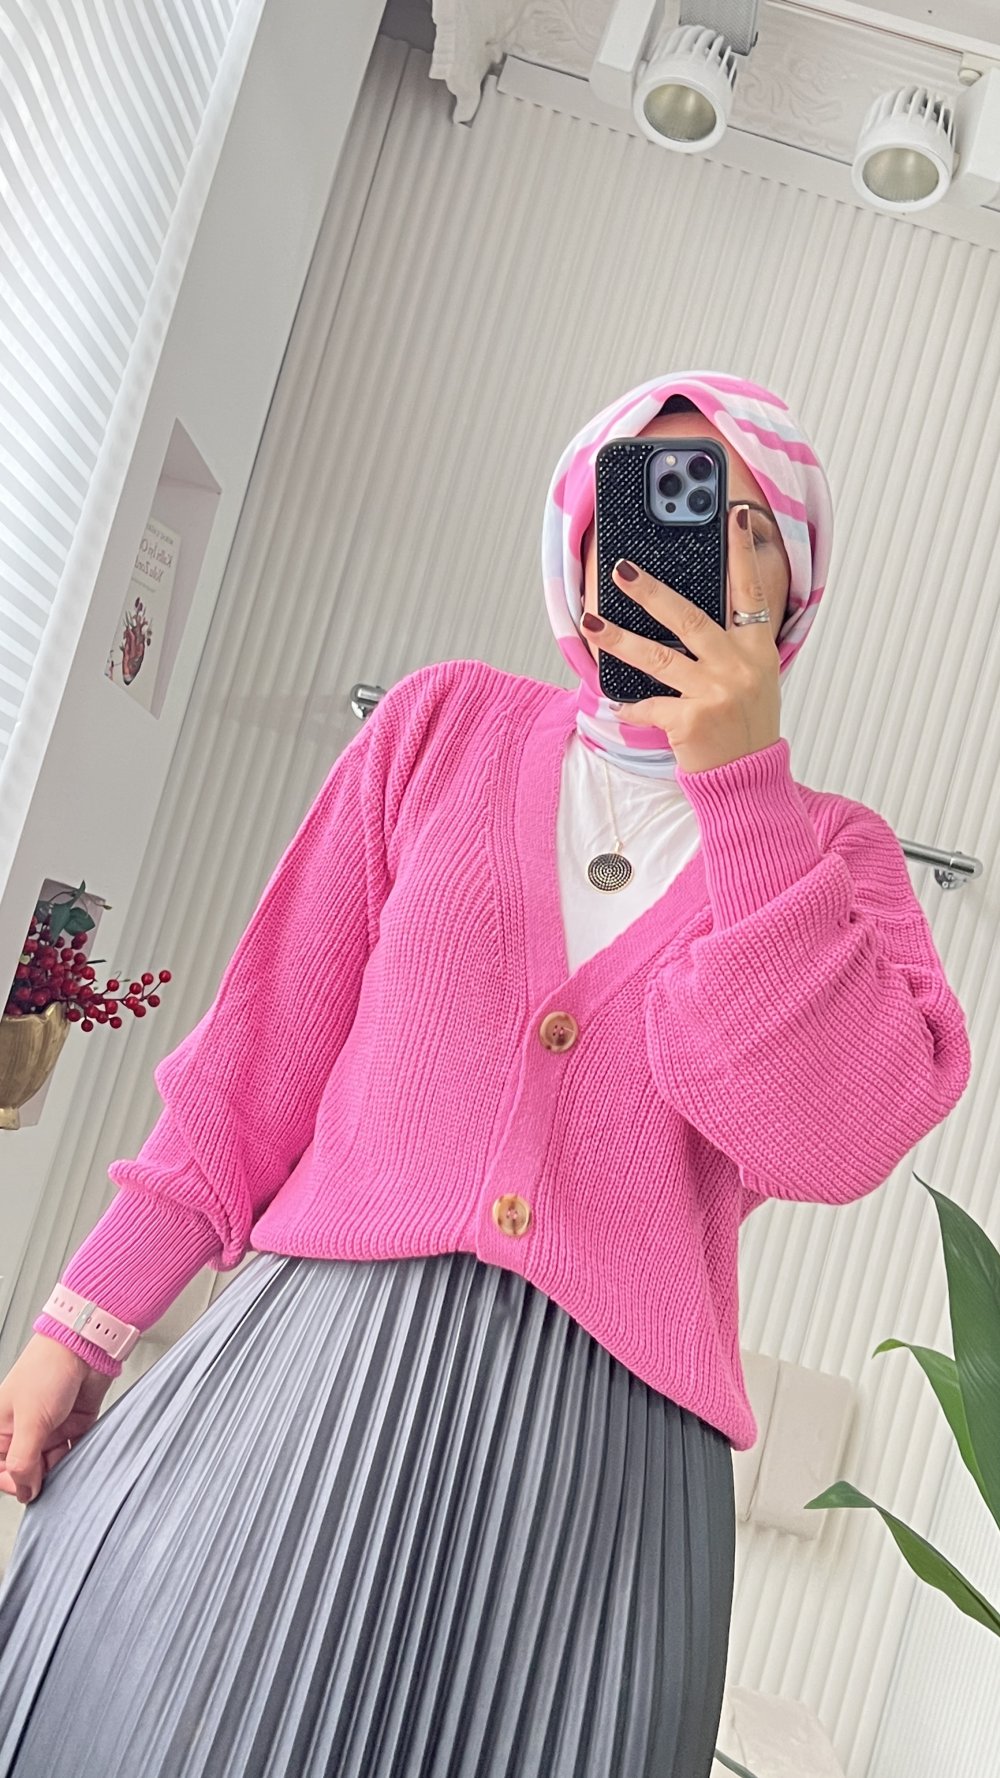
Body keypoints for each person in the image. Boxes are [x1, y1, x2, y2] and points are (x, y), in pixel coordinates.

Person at [0, 373, 972, 1777]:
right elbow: (252, 1065)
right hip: (305, 1390)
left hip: (601, 1491)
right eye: (648, 499)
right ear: (580, 541)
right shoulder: (441, 727)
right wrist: (81, 1323)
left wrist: (744, 793)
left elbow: (823, 1137)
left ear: (796, 582)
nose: (690, 543)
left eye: (742, 521)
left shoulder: (834, 857)